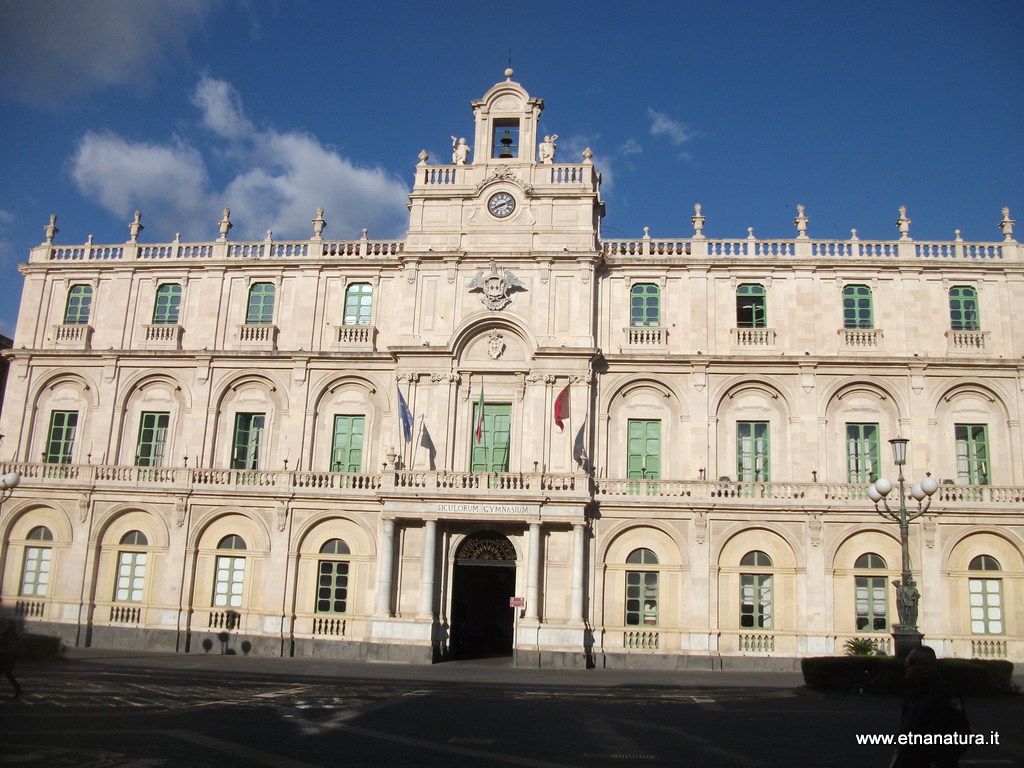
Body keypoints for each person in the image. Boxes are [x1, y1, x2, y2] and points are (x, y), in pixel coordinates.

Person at [891, 645, 969, 767]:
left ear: (927, 667)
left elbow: (961, 734)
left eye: (911, 662)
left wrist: (939, 760)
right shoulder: (913, 691)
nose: (906, 666)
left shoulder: (944, 693)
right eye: (907, 661)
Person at [0, 619, 23, 698]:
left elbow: (7, 645)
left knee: (8, 674)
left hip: (6, 657)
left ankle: (18, 689)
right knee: (8, 674)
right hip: (7, 657)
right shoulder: (9, 633)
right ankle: (18, 689)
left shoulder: (10, 634)